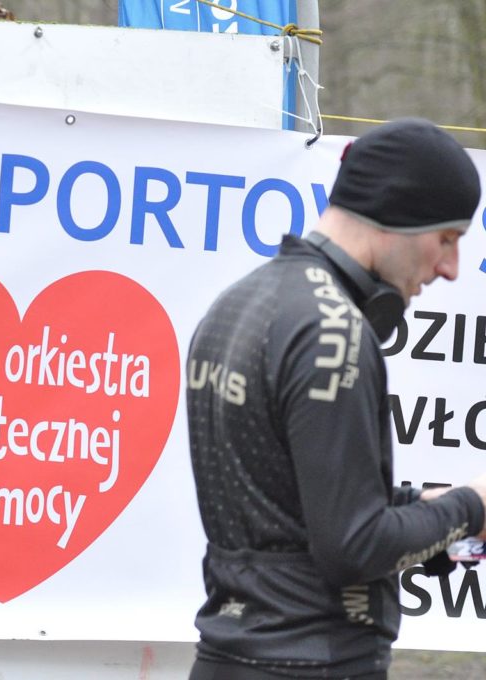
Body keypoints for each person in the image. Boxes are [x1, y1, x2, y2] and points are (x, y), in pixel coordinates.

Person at [185, 118, 486, 679]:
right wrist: (470, 507)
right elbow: (354, 545)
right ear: (397, 213)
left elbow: (295, 509)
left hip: (227, 656)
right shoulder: (335, 331)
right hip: (314, 662)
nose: (450, 268)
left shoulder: (237, 303)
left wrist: (424, 504)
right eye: (447, 239)